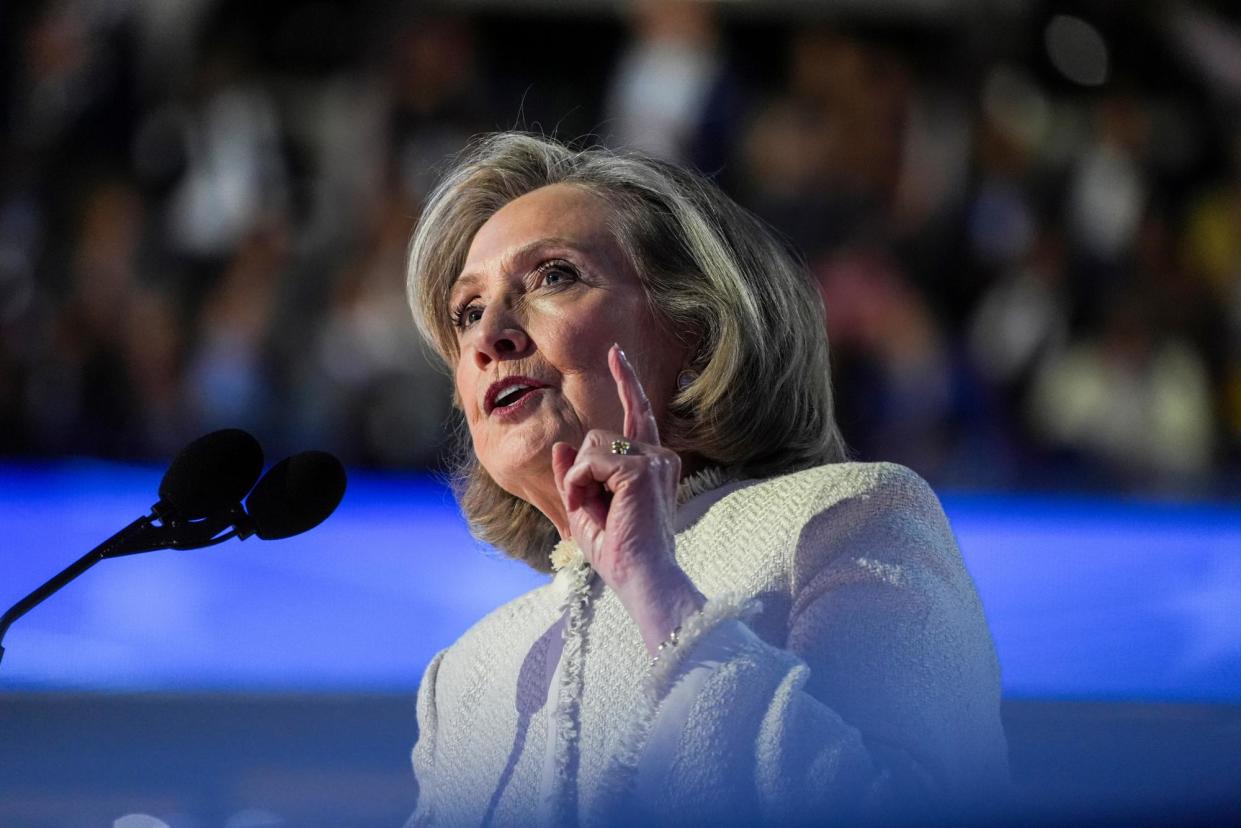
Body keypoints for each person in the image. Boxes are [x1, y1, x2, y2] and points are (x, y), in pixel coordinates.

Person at [403, 132, 1009, 826]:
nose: (490, 337)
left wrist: (659, 594)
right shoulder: (464, 679)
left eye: (552, 277)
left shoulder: (844, 518)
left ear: (695, 327)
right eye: (468, 312)